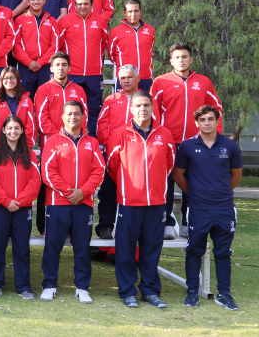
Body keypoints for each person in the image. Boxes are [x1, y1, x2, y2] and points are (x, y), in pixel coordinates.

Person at [106, 90, 175, 308]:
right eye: (138, 106)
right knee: (125, 251)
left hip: (156, 204)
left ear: (152, 108)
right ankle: (127, 292)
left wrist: (154, 185)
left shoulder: (164, 133)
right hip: (129, 203)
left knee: (151, 250)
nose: (142, 109)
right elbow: (112, 166)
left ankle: (150, 291)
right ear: (131, 109)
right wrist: (131, 185)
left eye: (146, 105)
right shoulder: (120, 134)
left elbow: (169, 164)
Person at [173, 105, 242, 310]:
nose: (207, 123)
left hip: (224, 209)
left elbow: (236, 175)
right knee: (194, 250)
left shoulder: (230, 147)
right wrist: (194, 193)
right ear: (197, 123)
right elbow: (178, 175)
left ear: (217, 121)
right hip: (197, 208)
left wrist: (221, 193)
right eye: (202, 120)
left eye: (210, 119)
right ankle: (192, 293)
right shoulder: (186, 146)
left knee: (223, 252)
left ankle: (224, 294)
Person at [151, 42, 222, 239]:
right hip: (168, 142)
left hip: (195, 143)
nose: (181, 60)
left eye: (184, 57)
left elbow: (216, 109)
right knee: (165, 182)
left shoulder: (204, 82)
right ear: (171, 61)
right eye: (177, 57)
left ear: (191, 59)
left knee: (194, 184)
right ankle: (166, 222)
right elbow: (152, 111)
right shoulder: (160, 81)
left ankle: (188, 222)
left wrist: (214, 136)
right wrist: (157, 135)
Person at [40, 101, 105, 304]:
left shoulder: (91, 142)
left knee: (82, 247)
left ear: (83, 116)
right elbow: (47, 172)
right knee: (52, 245)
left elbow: (99, 170)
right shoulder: (53, 141)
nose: (73, 117)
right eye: (69, 113)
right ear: (62, 117)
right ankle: (49, 285)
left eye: (77, 113)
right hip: (57, 202)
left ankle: (82, 287)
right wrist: (70, 192)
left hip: (83, 203)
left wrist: (83, 192)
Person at [95, 65, 159, 238]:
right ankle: (105, 226)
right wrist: (111, 144)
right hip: (115, 154)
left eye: (129, 77)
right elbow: (101, 125)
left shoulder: (147, 100)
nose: (125, 81)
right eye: (122, 78)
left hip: (139, 157)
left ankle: (137, 230)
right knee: (108, 190)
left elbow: (156, 125)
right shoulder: (111, 99)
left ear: (138, 79)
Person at [0, 115, 40, 300]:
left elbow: (35, 181)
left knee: (22, 248)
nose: (13, 131)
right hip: (0, 207)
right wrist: (5, 200)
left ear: (22, 130)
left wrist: (20, 201)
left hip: (22, 208)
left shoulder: (30, 153)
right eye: (9, 128)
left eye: (17, 128)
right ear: (3, 130)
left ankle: (23, 286)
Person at [33, 52, 87, 234]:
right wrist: (62, 137)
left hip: (76, 145)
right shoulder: (44, 89)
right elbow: (42, 119)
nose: (61, 68)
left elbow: (83, 116)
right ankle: (44, 226)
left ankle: (73, 227)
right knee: (47, 182)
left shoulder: (78, 90)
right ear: (51, 68)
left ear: (69, 67)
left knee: (74, 180)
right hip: (52, 145)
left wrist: (74, 136)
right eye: (57, 65)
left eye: (64, 64)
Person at [57, 0, 108, 136]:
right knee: (71, 110)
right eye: (79, 4)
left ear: (92, 5)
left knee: (93, 109)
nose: (83, 6)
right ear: (74, 5)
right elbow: (59, 47)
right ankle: (70, 139)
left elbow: (103, 44)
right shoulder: (65, 21)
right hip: (72, 73)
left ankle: (90, 139)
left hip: (94, 74)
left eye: (86, 4)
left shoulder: (100, 21)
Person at [12, 0, 59, 98]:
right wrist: (29, 62)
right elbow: (15, 45)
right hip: (25, 67)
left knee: (46, 99)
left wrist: (40, 62)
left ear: (44, 0)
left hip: (46, 67)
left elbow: (55, 45)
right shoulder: (20, 20)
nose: (36, 2)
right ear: (28, 2)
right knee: (24, 100)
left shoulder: (51, 21)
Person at [109, 0, 156, 92]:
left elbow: (149, 50)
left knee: (145, 105)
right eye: (130, 11)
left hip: (145, 77)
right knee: (123, 105)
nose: (133, 14)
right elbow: (111, 55)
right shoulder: (115, 31)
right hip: (124, 78)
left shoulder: (150, 30)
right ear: (125, 13)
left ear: (140, 12)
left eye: (136, 11)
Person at [0, 68, 35, 152]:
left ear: (18, 80)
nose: (9, 80)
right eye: (6, 78)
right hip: (1, 148)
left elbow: (30, 126)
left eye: (12, 77)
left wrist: (24, 146)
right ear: (1, 80)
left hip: (22, 148)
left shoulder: (27, 100)